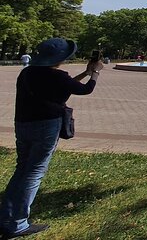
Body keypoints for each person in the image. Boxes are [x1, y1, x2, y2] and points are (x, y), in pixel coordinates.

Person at [0, 38, 103, 239]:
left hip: (23, 124)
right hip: (46, 125)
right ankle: (18, 224)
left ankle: (6, 217)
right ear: (61, 57)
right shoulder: (58, 76)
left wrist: (85, 72)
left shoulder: (27, 73)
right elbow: (85, 89)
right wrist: (96, 72)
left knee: (22, 169)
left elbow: (67, 84)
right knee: (34, 172)